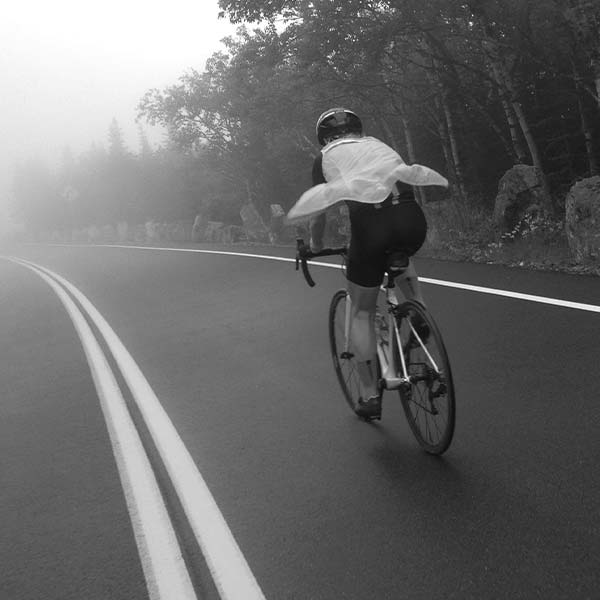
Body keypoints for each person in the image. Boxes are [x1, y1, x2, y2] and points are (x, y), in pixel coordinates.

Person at [287, 108, 448, 420]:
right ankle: (417, 311)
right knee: (400, 257)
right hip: (412, 222)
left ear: (324, 138)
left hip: (372, 229)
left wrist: (315, 246)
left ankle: (369, 394)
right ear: (358, 130)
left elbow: (319, 212)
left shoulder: (325, 157)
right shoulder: (378, 146)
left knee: (361, 312)